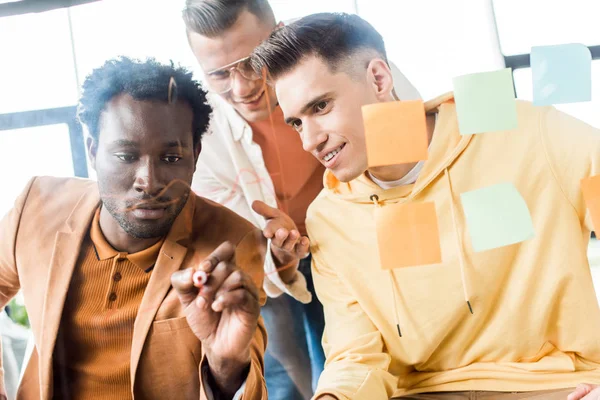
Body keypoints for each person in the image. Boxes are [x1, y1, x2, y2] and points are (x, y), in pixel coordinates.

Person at [251, 12, 600, 400]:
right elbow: (355, 356)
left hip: (555, 386)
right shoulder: (330, 218)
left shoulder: (525, 132)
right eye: (297, 122)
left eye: (320, 107)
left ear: (379, 79)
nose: (309, 141)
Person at [0, 57, 270, 400]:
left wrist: (227, 364)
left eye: (170, 159)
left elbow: (249, 385)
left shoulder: (230, 243)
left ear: (195, 156)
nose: (149, 181)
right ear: (93, 151)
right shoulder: (37, 207)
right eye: (126, 156)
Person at [182, 1, 326, 398]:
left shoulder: (331, 61)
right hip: (263, 258)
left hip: (342, 241)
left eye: (252, 61)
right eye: (219, 73)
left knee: (340, 363)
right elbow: (239, 235)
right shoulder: (201, 132)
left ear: (280, 34)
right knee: (280, 376)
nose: (242, 87)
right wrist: (280, 259)